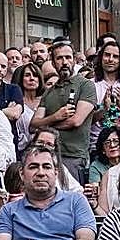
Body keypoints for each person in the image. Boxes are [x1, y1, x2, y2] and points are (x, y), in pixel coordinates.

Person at [29, 42, 98, 179]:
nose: (64, 62)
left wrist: (45, 127)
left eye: (68, 57)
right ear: (53, 63)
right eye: (59, 58)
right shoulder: (49, 92)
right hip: (48, 156)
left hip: (74, 157)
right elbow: (32, 125)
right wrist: (56, 116)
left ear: (74, 60)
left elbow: (76, 121)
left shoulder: (86, 85)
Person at [0, 49, 23, 129]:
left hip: (7, 136)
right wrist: (5, 111)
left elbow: (15, 114)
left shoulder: (13, 89)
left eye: (3, 66)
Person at [12, 62, 45, 152]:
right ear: (21, 79)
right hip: (21, 150)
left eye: (35, 75)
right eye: (27, 75)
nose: (32, 78)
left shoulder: (46, 100)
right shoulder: (15, 102)